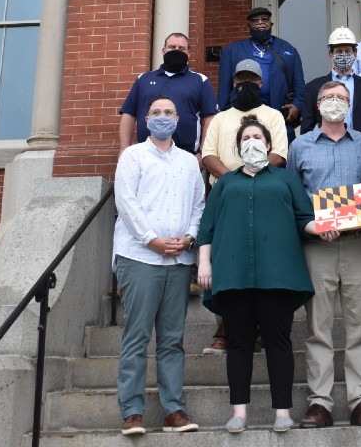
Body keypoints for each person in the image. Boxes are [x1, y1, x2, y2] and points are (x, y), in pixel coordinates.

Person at [197, 117, 328, 433]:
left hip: (278, 273)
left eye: (257, 137)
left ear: (269, 145)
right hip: (233, 273)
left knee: (278, 342)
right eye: (246, 138)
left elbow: (304, 217)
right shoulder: (226, 183)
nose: (252, 142)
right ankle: (238, 413)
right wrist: (204, 263)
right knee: (238, 343)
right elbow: (207, 226)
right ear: (238, 146)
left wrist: (322, 229)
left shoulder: (285, 179)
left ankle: (282, 411)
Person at [288, 81, 361, 429]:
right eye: (328, 98)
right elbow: (294, 197)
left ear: (350, 104)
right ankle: (320, 402)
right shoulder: (300, 146)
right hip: (317, 246)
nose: (334, 103)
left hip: (358, 242)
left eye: (341, 98)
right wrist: (314, 224)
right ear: (317, 103)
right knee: (318, 327)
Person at [112, 96, 204, 436]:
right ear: (145, 119)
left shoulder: (188, 162)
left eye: (168, 113)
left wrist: (191, 237)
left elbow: (198, 205)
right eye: (156, 113)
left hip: (179, 260)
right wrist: (151, 239)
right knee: (136, 335)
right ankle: (132, 411)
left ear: (178, 119)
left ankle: (173, 410)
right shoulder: (133, 156)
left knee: (172, 338)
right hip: (140, 258)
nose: (163, 117)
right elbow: (126, 202)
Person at [200, 58, 289, 355]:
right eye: (240, 81)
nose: (245, 85)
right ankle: (226, 328)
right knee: (228, 261)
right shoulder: (220, 118)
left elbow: (278, 154)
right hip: (226, 198)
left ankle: (263, 329)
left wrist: (253, 178)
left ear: (261, 84)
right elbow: (208, 155)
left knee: (263, 261)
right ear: (233, 84)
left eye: (251, 80)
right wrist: (234, 181)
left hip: (265, 196)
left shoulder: (273, 116)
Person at [119, 32, 218, 158]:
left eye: (181, 48)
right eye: (172, 47)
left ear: (188, 53)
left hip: (186, 155)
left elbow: (210, 119)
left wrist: (203, 153)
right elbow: (129, 114)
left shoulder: (200, 80)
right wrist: (124, 148)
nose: (176, 51)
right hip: (145, 155)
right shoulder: (143, 79)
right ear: (164, 50)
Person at [218, 7, 304, 140]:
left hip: (279, 115)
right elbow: (224, 89)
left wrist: (297, 106)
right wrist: (225, 115)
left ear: (271, 24)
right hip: (242, 116)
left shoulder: (289, 50)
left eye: (265, 19)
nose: (260, 22)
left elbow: (299, 87)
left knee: (279, 157)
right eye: (255, 20)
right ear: (248, 25)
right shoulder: (231, 51)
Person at [301, 27, 361, 135]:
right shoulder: (313, 88)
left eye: (348, 51)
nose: (344, 55)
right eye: (339, 51)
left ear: (355, 53)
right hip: (324, 148)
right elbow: (307, 128)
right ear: (330, 54)